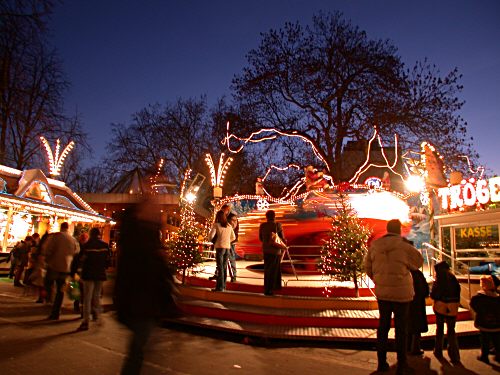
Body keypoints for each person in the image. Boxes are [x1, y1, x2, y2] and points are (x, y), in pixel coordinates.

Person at [114, 199, 178, 375]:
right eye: (153, 209)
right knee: (139, 349)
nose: (157, 212)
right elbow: (151, 269)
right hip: (141, 301)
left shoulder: (145, 234)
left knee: (141, 348)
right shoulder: (139, 236)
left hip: (145, 301)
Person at [363, 219, 423, 374]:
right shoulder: (404, 246)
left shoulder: (375, 246)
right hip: (402, 295)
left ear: (387, 229)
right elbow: (418, 262)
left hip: (383, 294)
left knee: (383, 327)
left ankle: (381, 363)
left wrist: (378, 279)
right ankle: (402, 364)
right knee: (401, 329)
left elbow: (367, 267)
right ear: (398, 230)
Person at [42, 222, 80, 320]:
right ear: (68, 228)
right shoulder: (73, 239)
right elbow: (76, 251)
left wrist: (47, 259)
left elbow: (47, 249)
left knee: (48, 283)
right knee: (60, 290)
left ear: (61, 227)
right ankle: (56, 311)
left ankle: (49, 300)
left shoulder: (56, 237)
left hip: (54, 266)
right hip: (66, 267)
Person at [77, 228, 111, 331]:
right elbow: (108, 262)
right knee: (96, 296)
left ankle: (85, 321)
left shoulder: (86, 246)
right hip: (100, 274)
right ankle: (98, 317)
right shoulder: (105, 246)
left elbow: (81, 259)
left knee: (87, 297)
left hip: (88, 274)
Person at [430, 260, 461, 364]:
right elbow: (458, 292)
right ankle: (454, 355)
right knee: (451, 330)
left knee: (440, 329)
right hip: (452, 307)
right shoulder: (453, 279)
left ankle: (438, 350)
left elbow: (433, 294)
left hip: (440, 306)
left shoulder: (438, 280)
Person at [469, 275, 500, 364]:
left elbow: (474, 307)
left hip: (483, 323)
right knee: (497, 340)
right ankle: (498, 355)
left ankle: (484, 356)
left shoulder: (477, 298)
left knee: (484, 340)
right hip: (497, 324)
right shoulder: (497, 297)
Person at [259, 210, 286, 296]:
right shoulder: (278, 225)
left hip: (266, 250)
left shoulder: (262, 225)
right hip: (275, 251)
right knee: (274, 270)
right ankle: (271, 289)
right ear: (274, 216)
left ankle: (267, 289)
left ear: (266, 217)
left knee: (267, 270)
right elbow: (282, 238)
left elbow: (260, 238)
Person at [209, 210, 236, 292]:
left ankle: (219, 288)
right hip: (227, 248)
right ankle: (224, 286)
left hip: (219, 248)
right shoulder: (229, 226)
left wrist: (215, 241)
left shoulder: (216, 225)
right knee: (224, 268)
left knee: (220, 268)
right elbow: (233, 238)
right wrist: (227, 241)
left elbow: (210, 236)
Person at [408, 269, 429, 355]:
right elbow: (424, 290)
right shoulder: (418, 274)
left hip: (407, 302)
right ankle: (415, 348)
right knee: (416, 326)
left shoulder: (405, 272)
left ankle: (407, 347)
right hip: (417, 303)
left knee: (408, 325)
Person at [227, 212, 239, 282]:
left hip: (230, 242)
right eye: (232, 220)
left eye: (235, 220)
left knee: (231, 259)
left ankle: (234, 275)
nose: (234, 222)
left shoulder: (232, 226)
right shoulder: (229, 226)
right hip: (227, 242)